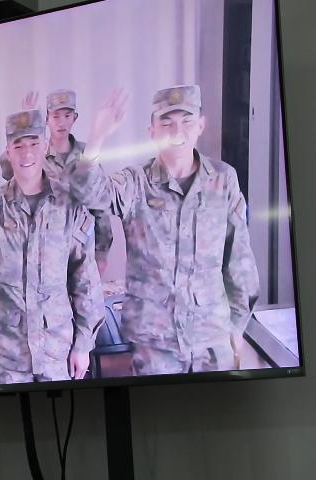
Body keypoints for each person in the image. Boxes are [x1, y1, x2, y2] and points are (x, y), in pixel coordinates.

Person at [68, 86, 260, 375]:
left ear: (200, 126)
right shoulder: (136, 182)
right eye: (166, 123)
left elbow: (240, 261)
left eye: (186, 121)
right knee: (156, 405)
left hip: (212, 337)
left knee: (218, 404)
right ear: (152, 132)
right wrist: (96, 138)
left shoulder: (223, 180)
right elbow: (88, 193)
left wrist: (237, 326)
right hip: (154, 342)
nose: (177, 131)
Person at [0, 110, 104, 383]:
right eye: (18, 145)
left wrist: (84, 344)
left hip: (56, 352)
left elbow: (85, 277)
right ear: (8, 152)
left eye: (34, 143)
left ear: (45, 146)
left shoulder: (67, 204)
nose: (26, 153)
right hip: (8, 358)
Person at [0, 89, 115, 273]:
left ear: (74, 118)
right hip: (45, 247)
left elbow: (99, 202)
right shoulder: (36, 154)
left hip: (82, 247)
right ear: (46, 118)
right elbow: (8, 170)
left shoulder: (87, 154)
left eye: (67, 115)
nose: (61, 122)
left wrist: (102, 251)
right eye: (55, 116)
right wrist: (27, 126)